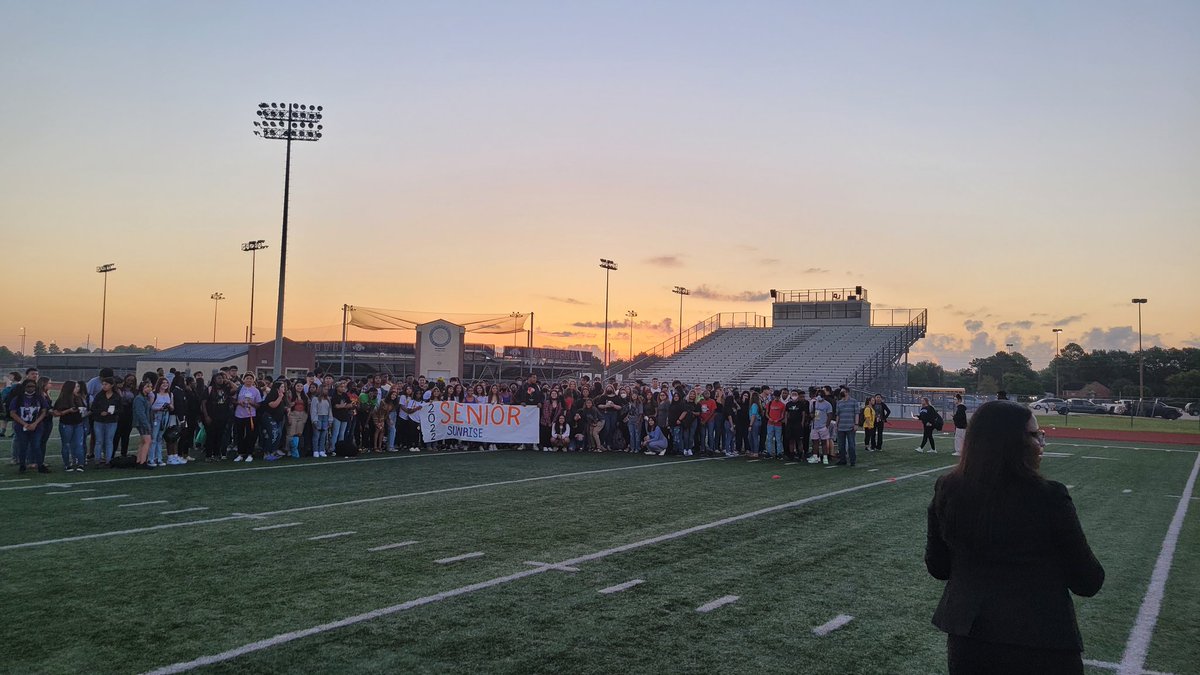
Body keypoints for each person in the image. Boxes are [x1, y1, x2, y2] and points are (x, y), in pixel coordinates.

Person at [925, 400, 1104, 674]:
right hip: (1040, 641)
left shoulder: (948, 488)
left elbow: (938, 567)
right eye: (1034, 435)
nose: (1041, 442)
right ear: (1010, 443)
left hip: (969, 641)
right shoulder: (1049, 496)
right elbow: (1088, 581)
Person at [9, 377, 51, 473]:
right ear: (24, 387)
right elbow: (12, 413)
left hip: (37, 426)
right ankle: (22, 465)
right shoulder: (18, 398)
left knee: (36, 445)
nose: (31, 388)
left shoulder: (39, 398)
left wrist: (35, 423)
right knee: (23, 446)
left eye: (33, 386)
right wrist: (24, 424)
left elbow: (44, 411)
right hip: (21, 426)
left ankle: (40, 465)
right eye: (28, 386)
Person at [52, 380, 88, 472]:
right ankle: (67, 464)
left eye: (78, 387)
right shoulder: (62, 399)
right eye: (76, 387)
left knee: (79, 444)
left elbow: (84, 410)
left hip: (78, 423)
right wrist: (68, 411)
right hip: (66, 423)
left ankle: (81, 463)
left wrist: (83, 411)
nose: (78, 389)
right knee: (66, 444)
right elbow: (55, 413)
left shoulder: (79, 397)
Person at [90, 377, 121, 466]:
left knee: (109, 440)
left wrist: (112, 412)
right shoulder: (99, 395)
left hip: (112, 421)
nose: (104, 386)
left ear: (111, 385)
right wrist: (100, 412)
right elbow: (93, 408)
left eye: (106, 384)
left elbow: (120, 409)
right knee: (99, 441)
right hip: (99, 421)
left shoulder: (116, 396)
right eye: (103, 384)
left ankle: (108, 460)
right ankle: (97, 460)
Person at [233, 373, 263, 462]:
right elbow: (233, 400)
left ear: (253, 380)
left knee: (250, 435)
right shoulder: (239, 389)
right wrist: (239, 403)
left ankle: (250, 453)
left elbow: (258, 405)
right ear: (243, 379)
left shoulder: (256, 391)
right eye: (247, 378)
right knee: (239, 435)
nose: (249, 380)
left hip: (251, 416)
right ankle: (240, 454)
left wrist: (251, 403)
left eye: (251, 378)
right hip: (239, 415)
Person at [133, 380, 154, 469]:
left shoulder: (145, 398)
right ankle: (143, 462)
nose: (149, 389)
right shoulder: (139, 398)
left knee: (143, 442)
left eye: (150, 387)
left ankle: (139, 460)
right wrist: (146, 424)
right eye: (147, 387)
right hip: (142, 423)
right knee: (147, 441)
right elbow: (140, 413)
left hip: (144, 422)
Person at [834, 390, 859, 467]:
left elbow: (856, 413)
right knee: (841, 445)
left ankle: (852, 460)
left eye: (843, 391)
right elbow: (838, 415)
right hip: (841, 427)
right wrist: (836, 425)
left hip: (850, 426)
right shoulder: (839, 402)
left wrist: (856, 424)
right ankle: (842, 460)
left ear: (847, 392)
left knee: (851, 445)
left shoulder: (854, 401)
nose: (842, 393)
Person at [808, 392, 833, 464]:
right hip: (815, 425)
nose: (819, 396)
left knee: (824, 442)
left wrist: (826, 426)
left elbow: (829, 415)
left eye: (820, 395)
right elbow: (812, 414)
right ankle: (815, 457)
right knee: (815, 442)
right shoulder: (814, 403)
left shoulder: (827, 404)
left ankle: (825, 457)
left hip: (823, 426)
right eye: (817, 395)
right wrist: (812, 414)